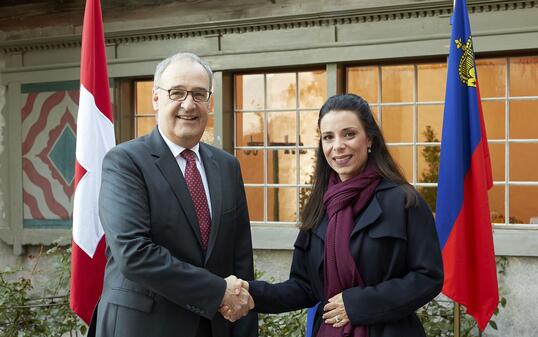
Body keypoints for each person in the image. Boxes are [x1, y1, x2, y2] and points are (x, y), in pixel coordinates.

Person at [231, 93, 443, 337]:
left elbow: (429, 276)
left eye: (349, 134)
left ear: (370, 139)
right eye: (328, 137)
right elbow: (303, 287)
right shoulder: (319, 207)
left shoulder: (405, 201)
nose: (338, 145)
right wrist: (249, 291)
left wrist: (359, 304)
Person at [93, 52, 257, 337]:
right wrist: (218, 291)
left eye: (198, 94)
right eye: (177, 93)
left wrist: (243, 324)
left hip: (214, 327)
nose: (188, 104)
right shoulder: (125, 162)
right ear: (156, 99)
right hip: (143, 327)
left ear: (210, 101)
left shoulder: (227, 166)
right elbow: (134, 253)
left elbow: (240, 259)